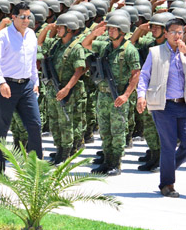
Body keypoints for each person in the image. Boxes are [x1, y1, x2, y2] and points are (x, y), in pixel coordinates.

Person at [82, 16, 141, 176]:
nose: (110, 31)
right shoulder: (105, 47)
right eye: (109, 28)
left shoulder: (129, 50)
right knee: (105, 131)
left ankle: (116, 163)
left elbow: (136, 74)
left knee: (117, 131)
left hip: (118, 95)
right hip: (103, 95)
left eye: (114, 29)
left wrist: (126, 95)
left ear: (122, 31)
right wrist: (95, 32)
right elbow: (85, 44)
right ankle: (107, 162)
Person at [0, 1, 43, 172]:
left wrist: (36, 82)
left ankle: (36, 169)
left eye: (28, 17)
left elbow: (32, 62)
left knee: (35, 125)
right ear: (13, 17)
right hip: (7, 86)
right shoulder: (3, 36)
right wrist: (1, 82)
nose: (26, 20)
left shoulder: (32, 35)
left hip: (27, 86)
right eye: (22, 17)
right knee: (2, 129)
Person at [137, 18, 186, 198]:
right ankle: (167, 184)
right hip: (163, 105)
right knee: (169, 144)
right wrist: (141, 96)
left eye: (180, 32)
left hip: (183, 104)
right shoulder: (155, 52)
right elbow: (144, 76)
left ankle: (168, 168)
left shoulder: (184, 52)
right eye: (173, 32)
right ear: (165, 34)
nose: (177, 35)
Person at [38, 13, 86, 164]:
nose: (58, 29)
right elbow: (40, 45)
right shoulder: (56, 45)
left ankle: (66, 152)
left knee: (66, 123)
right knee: (54, 122)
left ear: (70, 29)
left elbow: (79, 70)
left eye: (61, 27)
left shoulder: (76, 48)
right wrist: (47, 29)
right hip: (53, 90)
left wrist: (66, 88)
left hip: (67, 91)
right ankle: (59, 149)